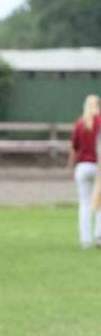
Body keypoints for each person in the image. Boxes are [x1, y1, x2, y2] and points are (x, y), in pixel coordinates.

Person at [67, 93, 101, 249]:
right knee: (99, 202)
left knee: (84, 203)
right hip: (98, 165)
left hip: (82, 166)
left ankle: (85, 240)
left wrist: (69, 166)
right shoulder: (99, 122)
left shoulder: (80, 124)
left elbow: (74, 148)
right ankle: (99, 235)